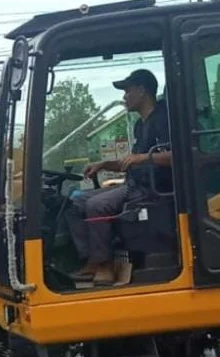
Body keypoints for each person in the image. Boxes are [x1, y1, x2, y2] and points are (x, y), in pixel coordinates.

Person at [68, 69, 172, 285]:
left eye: (128, 91)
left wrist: (142, 157)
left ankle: (105, 266)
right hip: (133, 184)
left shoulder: (164, 119)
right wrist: (105, 164)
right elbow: (131, 161)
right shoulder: (140, 125)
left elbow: (177, 155)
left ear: (142, 91)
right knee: (75, 202)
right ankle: (91, 262)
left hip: (153, 190)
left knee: (97, 205)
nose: (124, 97)